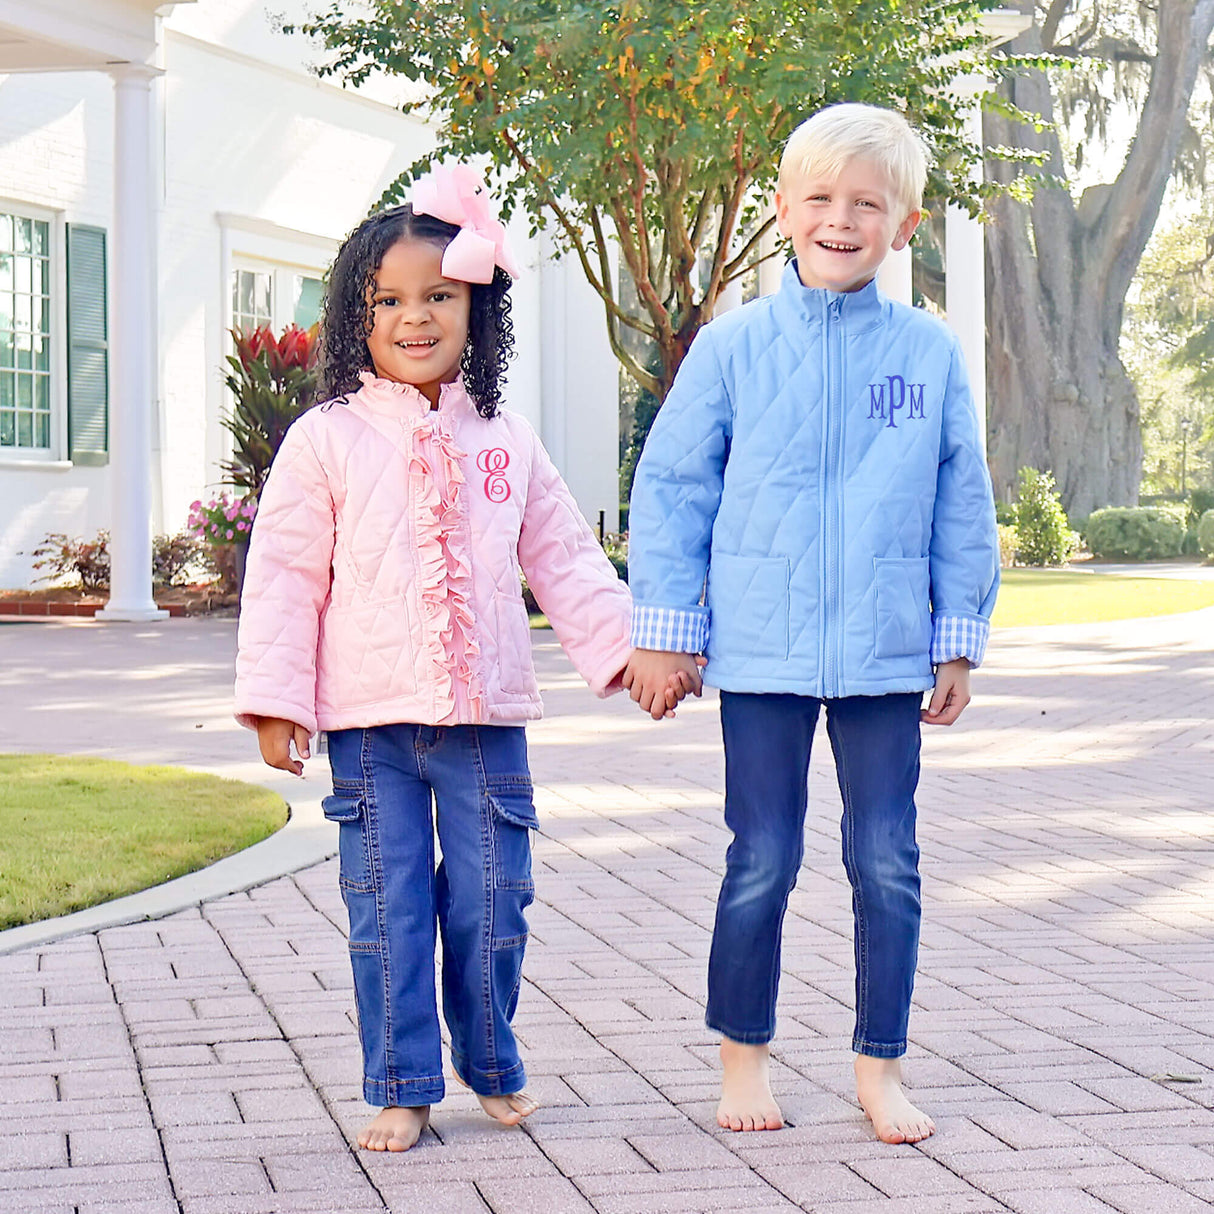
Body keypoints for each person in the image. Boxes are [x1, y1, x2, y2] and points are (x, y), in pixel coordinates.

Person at [235, 166, 663, 1153]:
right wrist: (276, 700)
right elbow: (285, 576)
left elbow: (564, 556)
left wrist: (628, 653)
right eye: (387, 300)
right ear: (356, 316)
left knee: (494, 899)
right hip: (368, 723)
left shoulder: (505, 439)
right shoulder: (325, 440)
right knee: (386, 908)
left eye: (438, 295)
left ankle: (491, 1058)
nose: (414, 317)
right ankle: (401, 1081)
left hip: (483, 719)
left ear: (479, 308)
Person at [622, 104, 1000, 1144]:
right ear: (784, 209)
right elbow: (673, 488)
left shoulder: (926, 353)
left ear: (904, 225)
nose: (841, 220)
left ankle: (880, 1066)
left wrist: (956, 636)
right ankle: (742, 1057)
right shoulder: (731, 347)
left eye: (866, 204)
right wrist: (666, 629)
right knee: (762, 856)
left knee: (886, 862)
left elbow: (960, 499)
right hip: (761, 651)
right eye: (821, 199)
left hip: (884, 649)